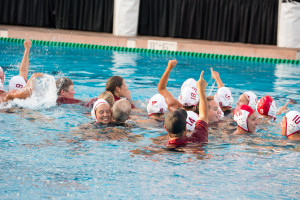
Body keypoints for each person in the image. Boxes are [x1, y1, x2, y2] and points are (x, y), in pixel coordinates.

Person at [165, 71, 209, 148]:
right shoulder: (198, 139)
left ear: (165, 128)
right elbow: (203, 115)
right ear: (185, 127)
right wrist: (201, 88)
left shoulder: (161, 148)